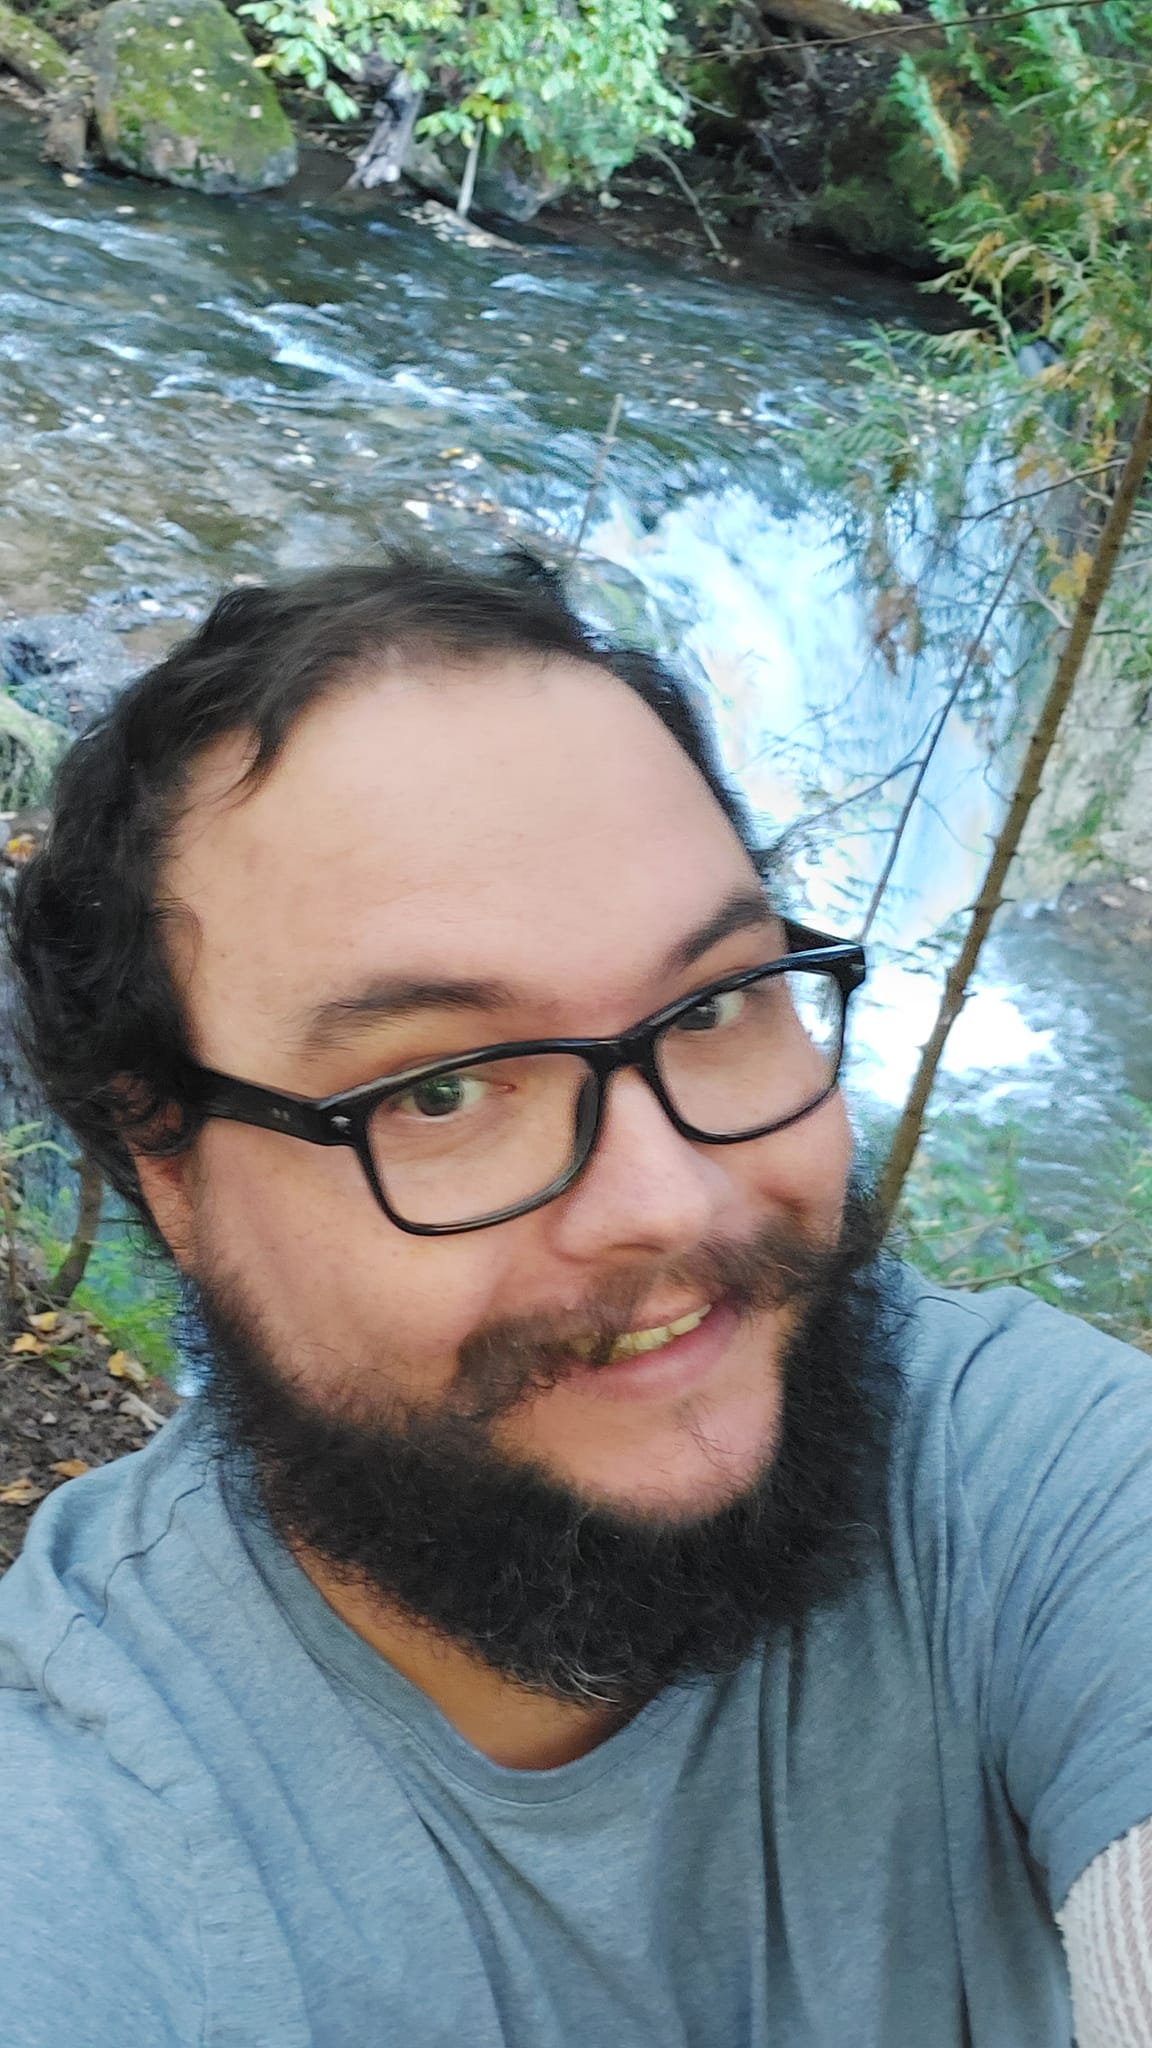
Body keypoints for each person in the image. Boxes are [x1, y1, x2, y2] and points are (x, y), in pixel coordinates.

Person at [1, 552, 1149, 2047]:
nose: (669, 1203)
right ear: (167, 1169)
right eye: (442, 1089)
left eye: (719, 1001)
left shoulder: (1020, 1480)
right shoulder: (87, 1855)